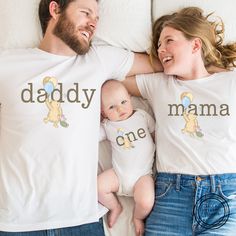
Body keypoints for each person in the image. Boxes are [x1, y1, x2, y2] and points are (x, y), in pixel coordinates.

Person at [0, 0, 160, 235]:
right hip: (16, 221)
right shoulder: (8, 63)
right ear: (55, 10)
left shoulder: (98, 59)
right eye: (85, 13)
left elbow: (169, 63)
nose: (93, 23)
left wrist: (224, 64)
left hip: (81, 219)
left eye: (96, 18)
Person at [123, 7, 236, 235]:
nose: (161, 48)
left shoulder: (230, 82)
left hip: (226, 196)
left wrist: (210, 64)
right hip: (171, 196)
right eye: (158, 45)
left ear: (195, 45)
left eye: (169, 41)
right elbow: (113, 72)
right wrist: (161, 60)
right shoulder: (160, 85)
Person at [98, 80, 155, 236]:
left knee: (145, 201)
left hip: (142, 176)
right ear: (103, 112)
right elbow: (90, 137)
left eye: (123, 102)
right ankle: (115, 207)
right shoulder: (108, 126)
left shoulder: (142, 116)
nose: (120, 108)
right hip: (118, 174)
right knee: (97, 187)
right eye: (111, 107)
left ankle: (137, 218)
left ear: (130, 98)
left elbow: (156, 135)